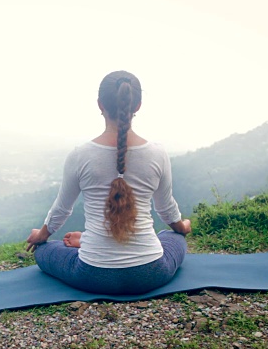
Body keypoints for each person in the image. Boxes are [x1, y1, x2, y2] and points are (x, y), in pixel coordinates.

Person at [25, 70, 191, 295]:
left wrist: (41, 235)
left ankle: (89, 241)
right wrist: (182, 227)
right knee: (172, 237)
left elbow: (62, 209)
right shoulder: (157, 153)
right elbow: (166, 208)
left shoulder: (80, 155)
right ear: (138, 105)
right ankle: (89, 240)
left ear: (100, 104)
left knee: (44, 251)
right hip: (152, 272)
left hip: (92, 274)